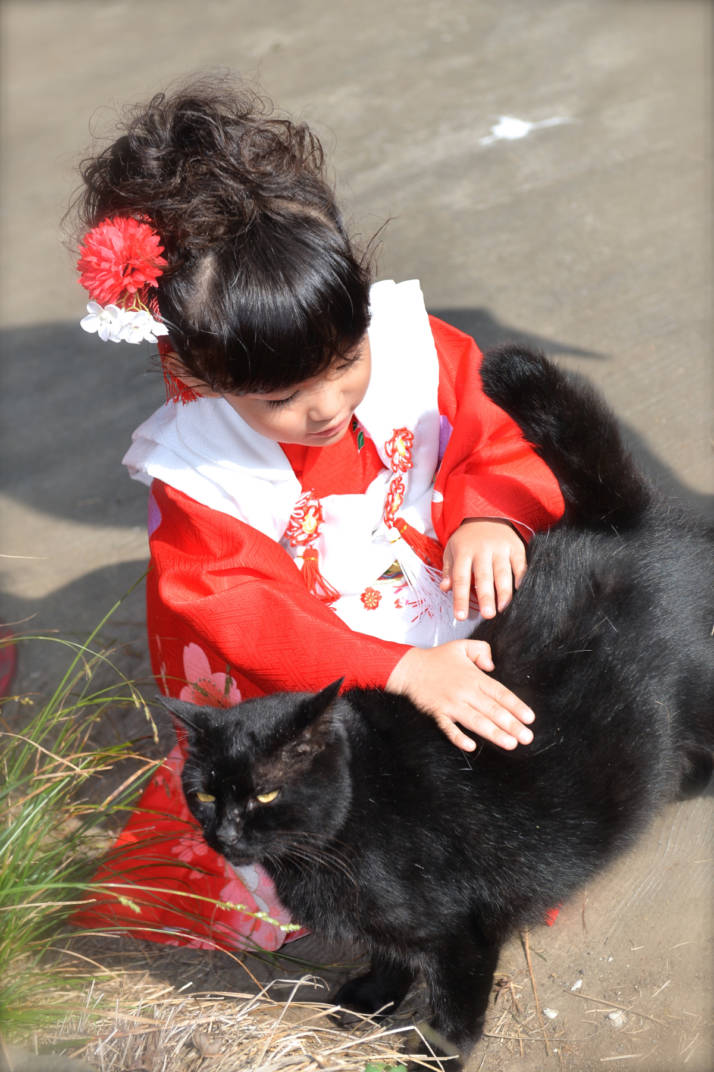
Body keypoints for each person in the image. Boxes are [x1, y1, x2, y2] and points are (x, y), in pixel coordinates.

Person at [72, 79, 564, 952]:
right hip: (312, 640)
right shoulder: (202, 470)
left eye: (346, 361)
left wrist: (491, 515)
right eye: (282, 396)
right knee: (326, 769)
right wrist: (398, 667)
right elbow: (243, 608)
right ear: (200, 373)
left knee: (496, 701)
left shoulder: (420, 351)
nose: (329, 406)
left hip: (427, 569)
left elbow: (490, 437)